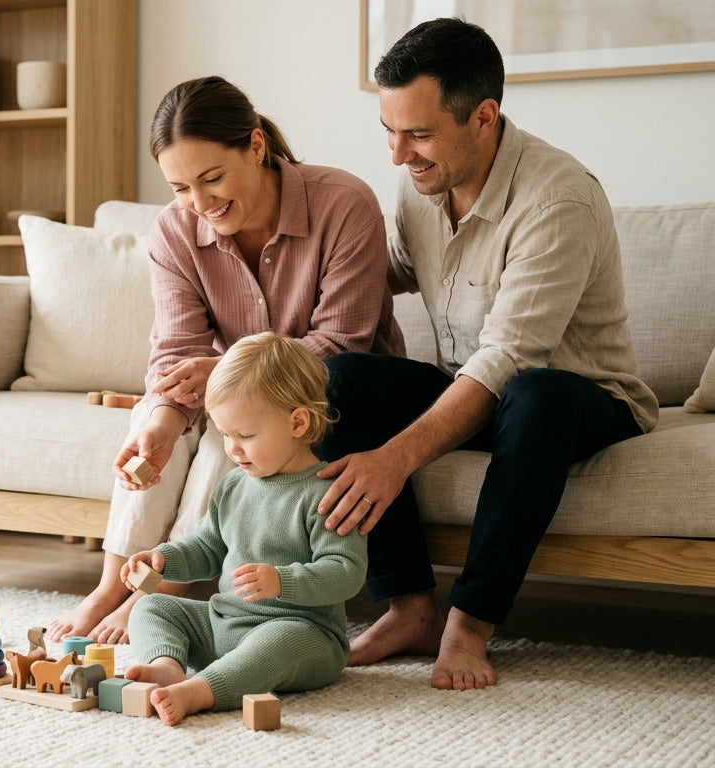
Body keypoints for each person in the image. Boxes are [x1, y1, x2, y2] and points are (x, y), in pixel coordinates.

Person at [314, 18, 659, 690]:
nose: (398, 154)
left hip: (578, 398)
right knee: (340, 380)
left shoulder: (558, 199)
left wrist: (396, 457)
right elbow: (386, 270)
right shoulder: (422, 184)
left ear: (483, 116)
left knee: (533, 393)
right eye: (389, 131)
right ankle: (410, 609)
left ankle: (469, 626)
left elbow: (507, 361)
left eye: (417, 134)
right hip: (474, 394)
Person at [47, 75, 403, 644]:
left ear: (256, 146)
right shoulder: (174, 231)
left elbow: (342, 345)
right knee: (153, 423)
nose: (200, 203)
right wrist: (164, 423)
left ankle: (164, 589)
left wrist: (228, 370)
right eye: (180, 187)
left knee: (229, 440)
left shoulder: (343, 204)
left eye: (212, 178)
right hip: (228, 391)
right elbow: (176, 352)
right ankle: (113, 584)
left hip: (326, 396)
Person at [121, 332, 367, 726]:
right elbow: (206, 548)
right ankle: (168, 666)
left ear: (298, 423)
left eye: (246, 436)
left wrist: (281, 582)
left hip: (305, 635)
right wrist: (164, 560)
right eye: (225, 435)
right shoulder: (234, 484)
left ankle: (202, 691)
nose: (233, 449)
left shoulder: (327, 494)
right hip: (224, 625)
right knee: (152, 607)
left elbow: (346, 573)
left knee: (278, 641)